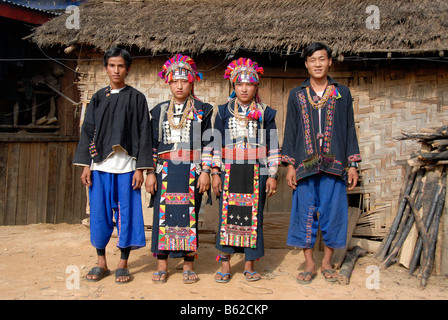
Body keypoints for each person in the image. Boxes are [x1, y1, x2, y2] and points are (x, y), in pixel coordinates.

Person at [282, 42, 361, 284]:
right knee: (304, 213)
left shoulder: (342, 93)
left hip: (334, 164)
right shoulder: (296, 95)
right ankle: (309, 264)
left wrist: (353, 164)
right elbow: (292, 131)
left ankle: (327, 262)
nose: (317, 64)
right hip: (305, 166)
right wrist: (290, 165)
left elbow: (349, 129)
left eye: (322, 59)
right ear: (306, 63)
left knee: (332, 213)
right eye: (312, 60)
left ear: (329, 62)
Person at [73, 47, 153, 283]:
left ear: (127, 69)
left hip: (127, 168)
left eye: (121, 66)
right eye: (112, 65)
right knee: (99, 215)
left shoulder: (136, 97)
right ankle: (101, 263)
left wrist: (141, 168)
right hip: (99, 168)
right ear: (106, 67)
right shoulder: (98, 97)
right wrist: (86, 165)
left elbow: (144, 132)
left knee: (127, 216)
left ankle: (123, 263)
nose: (116, 70)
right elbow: (87, 131)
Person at [146, 54, 213, 284]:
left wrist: (205, 171)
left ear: (192, 81)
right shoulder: (158, 111)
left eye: (184, 80)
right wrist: (150, 174)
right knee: (162, 217)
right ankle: (162, 264)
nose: (180, 85)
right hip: (164, 171)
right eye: (175, 81)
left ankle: (187, 264)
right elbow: (153, 145)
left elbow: (207, 143)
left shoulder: (203, 110)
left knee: (189, 217)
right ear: (169, 82)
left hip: (191, 171)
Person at [211, 57, 280, 283]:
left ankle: (249, 264)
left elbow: (272, 145)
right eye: (239, 84)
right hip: (228, 171)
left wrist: (272, 175)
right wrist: (214, 173)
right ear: (233, 85)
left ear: (256, 86)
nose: (244, 88)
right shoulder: (222, 112)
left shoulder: (266, 113)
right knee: (226, 216)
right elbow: (215, 145)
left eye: (249, 84)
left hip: (256, 172)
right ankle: (225, 264)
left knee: (253, 216)